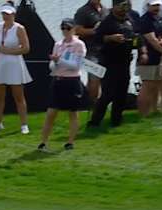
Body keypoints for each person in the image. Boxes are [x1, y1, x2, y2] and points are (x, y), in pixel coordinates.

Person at [39, 18, 87, 152]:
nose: (65, 31)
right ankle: (43, 142)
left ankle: (70, 142)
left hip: (72, 81)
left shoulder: (79, 45)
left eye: (68, 28)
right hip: (58, 80)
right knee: (51, 112)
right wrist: (54, 63)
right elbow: (52, 65)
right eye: (63, 28)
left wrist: (59, 60)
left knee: (72, 112)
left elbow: (76, 65)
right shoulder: (58, 44)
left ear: (73, 29)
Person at [0, 3, 32, 134]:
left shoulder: (19, 28)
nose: (5, 16)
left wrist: (8, 51)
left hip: (15, 64)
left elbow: (26, 48)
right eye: (3, 14)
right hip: (0, 63)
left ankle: (24, 124)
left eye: (8, 14)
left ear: (13, 14)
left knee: (18, 95)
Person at [89, 0, 135, 127]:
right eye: (121, 6)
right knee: (108, 93)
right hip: (109, 62)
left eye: (126, 7)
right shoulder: (106, 22)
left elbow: (137, 36)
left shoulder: (129, 20)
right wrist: (110, 38)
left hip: (125, 62)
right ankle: (95, 121)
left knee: (121, 93)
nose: (124, 9)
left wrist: (140, 48)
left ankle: (116, 120)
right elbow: (96, 39)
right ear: (114, 7)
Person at [137, 0, 162, 116]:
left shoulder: (159, 19)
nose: (156, 8)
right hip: (148, 57)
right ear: (148, 6)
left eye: (158, 5)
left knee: (155, 85)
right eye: (154, 5)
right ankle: (143, 113)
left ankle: (153, 111)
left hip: (158, 58)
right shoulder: (145, 20)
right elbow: (152, 40)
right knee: (147, 85)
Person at [75, 0, 106, 102]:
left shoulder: (105, 10)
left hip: (105, 50)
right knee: (94, 78)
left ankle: (93, 102)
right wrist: (95, 31)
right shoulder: (82, 11)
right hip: (90, 51)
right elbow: (77, 30)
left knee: (102, 79)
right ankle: (92, 104)